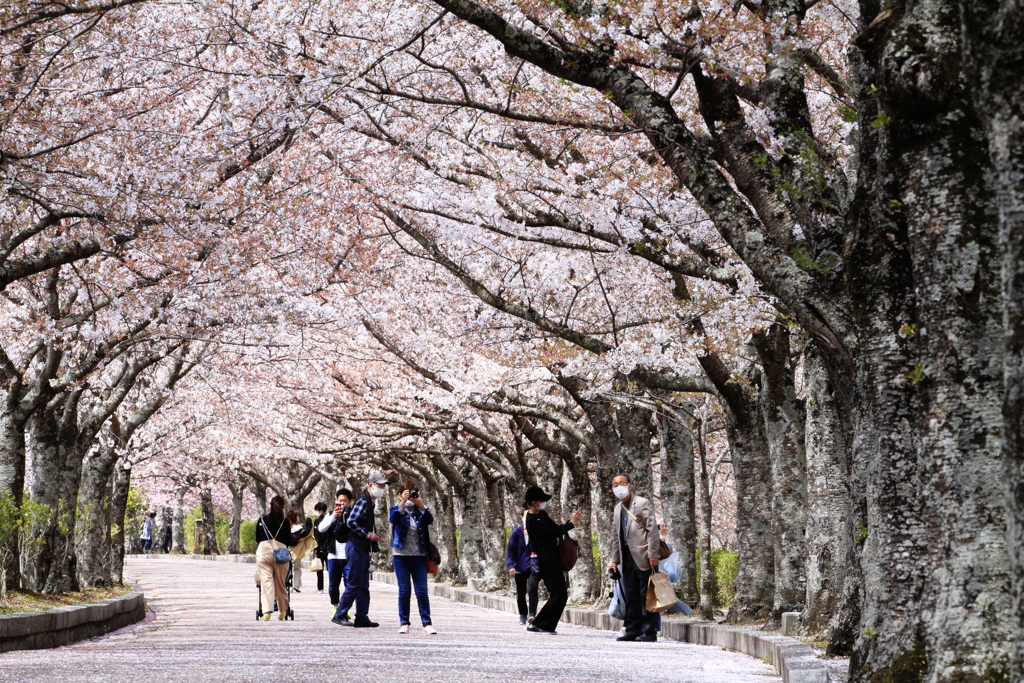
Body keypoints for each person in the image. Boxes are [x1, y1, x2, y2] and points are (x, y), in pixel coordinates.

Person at [608, 473, 660, 642]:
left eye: (622, 483)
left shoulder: (642, 503)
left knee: (648, 594)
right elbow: (616, 536)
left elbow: (652, 530)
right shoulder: (617, 508)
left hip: (644, 555)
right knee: (631, 594)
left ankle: (650, 631)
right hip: (626, 557)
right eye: (615, 485)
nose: (618, 487)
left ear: (629, 485)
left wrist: (653, 554)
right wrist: (614, 560)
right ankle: (633, 629)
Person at [332, 473, 388, 627]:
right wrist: (367, 534)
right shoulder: (363, 501)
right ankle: (340, 614)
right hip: (356, 546)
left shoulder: (370, 502)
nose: (382, 489)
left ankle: (362, 616)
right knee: (355, 583)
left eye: (383, 486)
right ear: (370, 485)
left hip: (362, 548)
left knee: (363, 585)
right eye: (379, 485)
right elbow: (351, 521)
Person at [524, 486, 581, 634]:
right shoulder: (531, 519)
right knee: (558, 594)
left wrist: (569, 523)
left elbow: (556, 528)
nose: (543, 503)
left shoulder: (542, 514)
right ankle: (537, 624)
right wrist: (571, 524)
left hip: (553, 558)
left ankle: (545, 625)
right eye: (541, 500)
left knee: (560, 594)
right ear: (533, 502)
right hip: (545, 560)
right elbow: (550, 533)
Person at [389, 478, 437, 634]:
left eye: (412, 494)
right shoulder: (396, 509)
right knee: (404, 591)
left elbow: (429, 520)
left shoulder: (419, 511)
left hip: (419, 556)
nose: (410, 498)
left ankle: (427, 623)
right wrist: (402, 503)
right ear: (399, 495)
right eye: (407, 494)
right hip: (401, 556)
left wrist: (421, 503)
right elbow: (393, 518)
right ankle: (404, 622)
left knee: (422, 591)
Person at [256, 495, 312, 621]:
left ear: (270, 505)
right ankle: (283, 610)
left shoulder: (262, 520)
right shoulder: (285, 522)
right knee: (281, 583)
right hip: (280, 552)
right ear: (282, 507)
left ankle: (267, 611)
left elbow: (257, 538)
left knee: (266, 581)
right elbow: (288, 540)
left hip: (264, 551)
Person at [318, 488, 353, 618]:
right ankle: (335, 606)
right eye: (340, 501)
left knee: (349, 584)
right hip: (333, 555)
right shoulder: (331, 514)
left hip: (348, 555)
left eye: (345, 501)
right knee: (333, 585)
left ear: (349, 501)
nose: (342, 503)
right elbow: (321, 528)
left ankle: (347, 608)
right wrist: (333, 517)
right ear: (336, 501)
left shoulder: (353, 514)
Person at [507, 506, 539, 625]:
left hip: (533, 566)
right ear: (522, 517)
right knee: (521, 592)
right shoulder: (516, 532)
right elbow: (511, 551)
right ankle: (523, 614)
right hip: (519, 567)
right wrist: (511, 566)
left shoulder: (537, 531)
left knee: (532, 589)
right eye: (526, 516)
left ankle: (532, 614)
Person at [288, 509, 317, 593]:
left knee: (287, 569)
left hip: (286, 551)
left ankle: (288, 585)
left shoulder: (285, 528)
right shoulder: (300, 529)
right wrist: (309, 524)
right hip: (297, 552)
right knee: (297, 568)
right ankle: (296, 585)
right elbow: (307, 533)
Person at [312, 502, 328, 593]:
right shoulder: (330, 519)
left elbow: (317, 535)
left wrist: (315, 548)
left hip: (320, 547)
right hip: (329, 547)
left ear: (320, 510)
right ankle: (332, 587)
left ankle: (320, 588)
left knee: (319, 569)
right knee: (331, 569)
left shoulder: (318, 521)